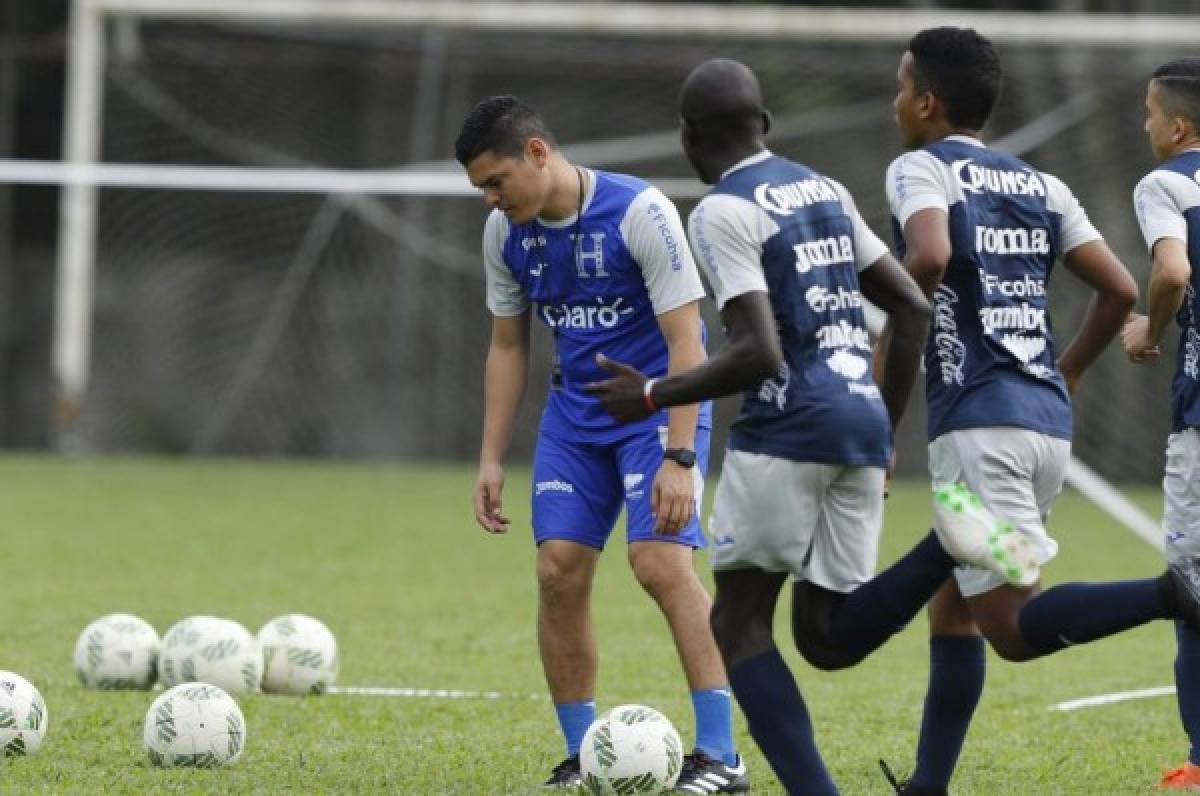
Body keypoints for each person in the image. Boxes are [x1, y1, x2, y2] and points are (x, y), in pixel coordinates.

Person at [586, 57, 1039, 796]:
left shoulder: (723, 211)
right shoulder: (822, 189)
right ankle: (945, 546)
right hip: (858, 421)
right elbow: (912, 307)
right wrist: (883, 429)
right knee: (825, 637)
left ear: (688, 138)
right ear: (762, 125)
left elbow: (757, 350)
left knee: (737, 623)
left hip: (788, 429)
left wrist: (653, 392)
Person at [882, 28, 1200, 796]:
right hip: (1044, 426)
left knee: (1011, 631)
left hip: (979, 429)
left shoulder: (917, 169)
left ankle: (1174, 594)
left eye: (899, 86)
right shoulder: (1041, 184)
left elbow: (924, 257)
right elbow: (1120, 290)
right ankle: (929, 783)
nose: (894, 100)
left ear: (926, 102)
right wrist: (1066, 375)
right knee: (955, 605)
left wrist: (878, 410)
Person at [455, 95, 747, 793]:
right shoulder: (505, 237)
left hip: (656, 411)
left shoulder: (640, 212)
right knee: (556, 570)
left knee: (660, 564)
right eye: (480, 190)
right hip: (574, 419)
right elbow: (506, 346)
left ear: (537, 153)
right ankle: (585, 755)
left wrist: (680, 456)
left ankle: (722, 756)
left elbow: (688, 342)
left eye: (496, 182)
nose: (491, 201)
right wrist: (491, 456)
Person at [1123, 56, 1200, 791]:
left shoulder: (1168, 182)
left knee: (1192, 592)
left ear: (1177, 126)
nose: (1143, 125)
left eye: (1148, 113)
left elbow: (1173, 272)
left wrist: (1153, 326)